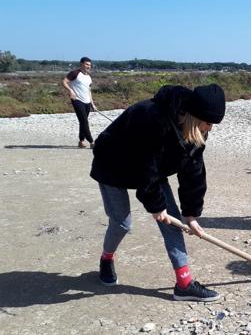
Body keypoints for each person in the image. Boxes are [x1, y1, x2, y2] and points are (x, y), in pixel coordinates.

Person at [90, 84, 226, 301]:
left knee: (172, 225)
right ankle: (107, 259)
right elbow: (145, 164)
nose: (210, 128)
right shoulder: (151, 117)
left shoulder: (197, 132)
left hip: (153, 169)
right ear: (195, 115)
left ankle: (184, 284)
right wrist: (156, 206)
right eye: (209, 123)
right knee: (122, 223)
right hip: (113, 165)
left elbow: (194, 173)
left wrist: (190, 214)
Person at [62, 57, 96, 148]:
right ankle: (92, 142)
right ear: (81, 64)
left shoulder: (88, 77)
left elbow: (89, 91)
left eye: (89, 65)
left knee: (82, 122)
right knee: (84, 121)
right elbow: (64, 82)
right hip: (77, 100)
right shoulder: (75, 73)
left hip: (87, 102)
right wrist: (70, 91)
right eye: (86, 64)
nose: (88, 66)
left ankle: (81, 141)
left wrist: (92, 103)